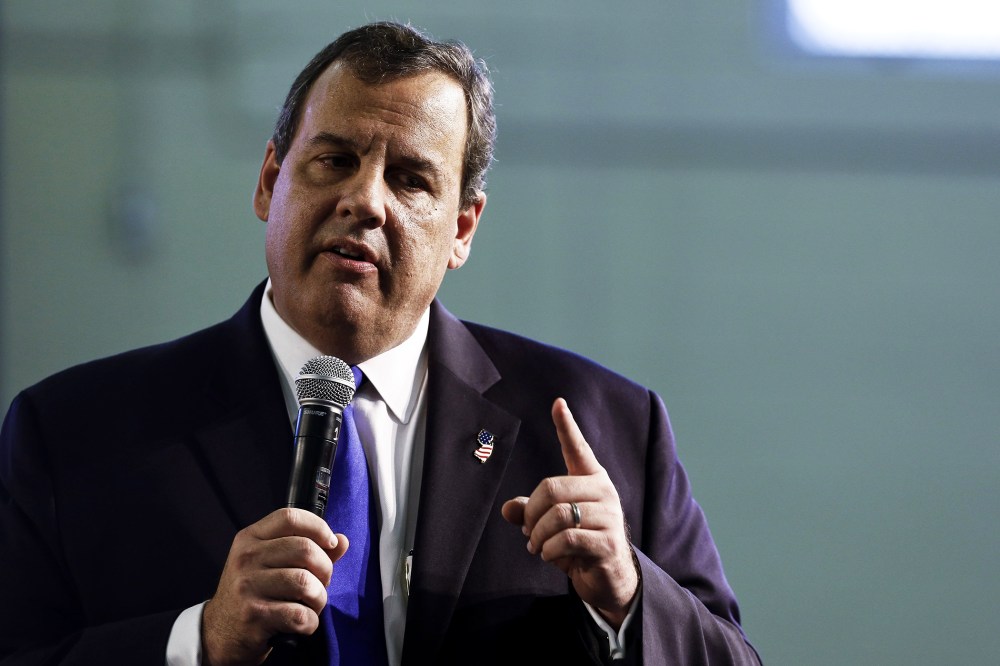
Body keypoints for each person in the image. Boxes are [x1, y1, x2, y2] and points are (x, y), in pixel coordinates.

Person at [0, 21, 761, 666]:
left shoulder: (608, 428)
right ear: (270, 182)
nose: (364, 200)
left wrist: (627, 595)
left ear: (462, 229)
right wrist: (198, 639)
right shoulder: (74, 433)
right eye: (334, 160)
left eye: (410, 179)